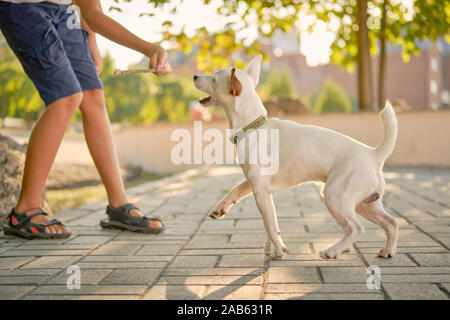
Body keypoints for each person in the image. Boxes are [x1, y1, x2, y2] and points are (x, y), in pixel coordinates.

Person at [0, 0, 170, 239]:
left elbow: (90, 11)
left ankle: (119, 205)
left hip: (65, 14)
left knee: (93, 97)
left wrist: (90, 38)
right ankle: (25, 209)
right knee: (67, 97)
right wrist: (148, 48)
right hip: (23, 7)